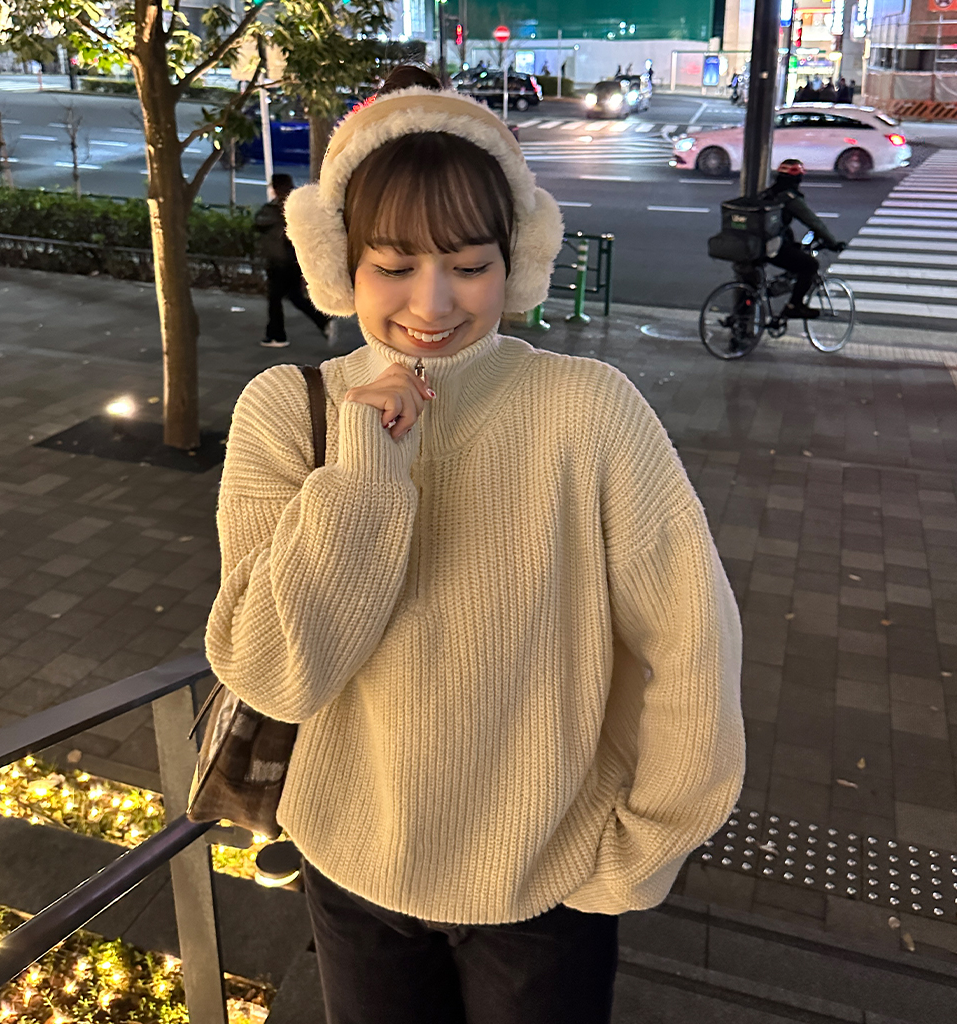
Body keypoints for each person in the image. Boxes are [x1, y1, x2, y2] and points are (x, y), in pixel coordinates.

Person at [207, 63, 745, 1024]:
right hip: (349, 869)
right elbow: (276, 675)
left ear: (517, 261)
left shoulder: (589, 412)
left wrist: (640, 850)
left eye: (468, 265)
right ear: (338, 265)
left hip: (546, 887)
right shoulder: (288, 412)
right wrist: (365, 473)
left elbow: (692, 644)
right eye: (393, 265)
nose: (433, 304)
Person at [760, 158, 847, 318]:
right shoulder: (789, 198)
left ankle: (741, 313)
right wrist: (832, 243)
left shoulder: (768, 193)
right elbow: (813, 222)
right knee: (809, 265)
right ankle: (794, 306)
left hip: (754, 244)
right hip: (771, 247)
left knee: (793, 254)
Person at [254, 173, 331, 348]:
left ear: (275, 188)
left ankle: (277, 335)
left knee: (276, 299)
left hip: (279, 261)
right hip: (292, 261)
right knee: (294, 297)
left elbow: (260, 222)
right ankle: (322, 321)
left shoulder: (276, 210)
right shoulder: (297, 207)